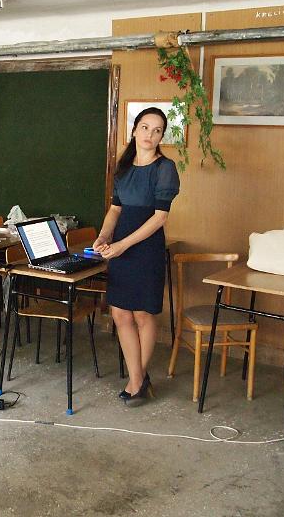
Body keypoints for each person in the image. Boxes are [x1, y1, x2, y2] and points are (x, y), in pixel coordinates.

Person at [94, 107, 180, 404]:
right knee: (120, 313)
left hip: (145, 248)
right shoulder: (124, 168)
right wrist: (105, 236)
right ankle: (139, 380)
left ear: (161, 136)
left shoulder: (165, 168)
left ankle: (136, 381)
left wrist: (122, 245)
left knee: (143, 313)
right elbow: (115, 209)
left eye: (157, 130)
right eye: (145, 127)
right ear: (134, 130)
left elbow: (159, 218)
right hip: (121, 246)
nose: (150, 134)